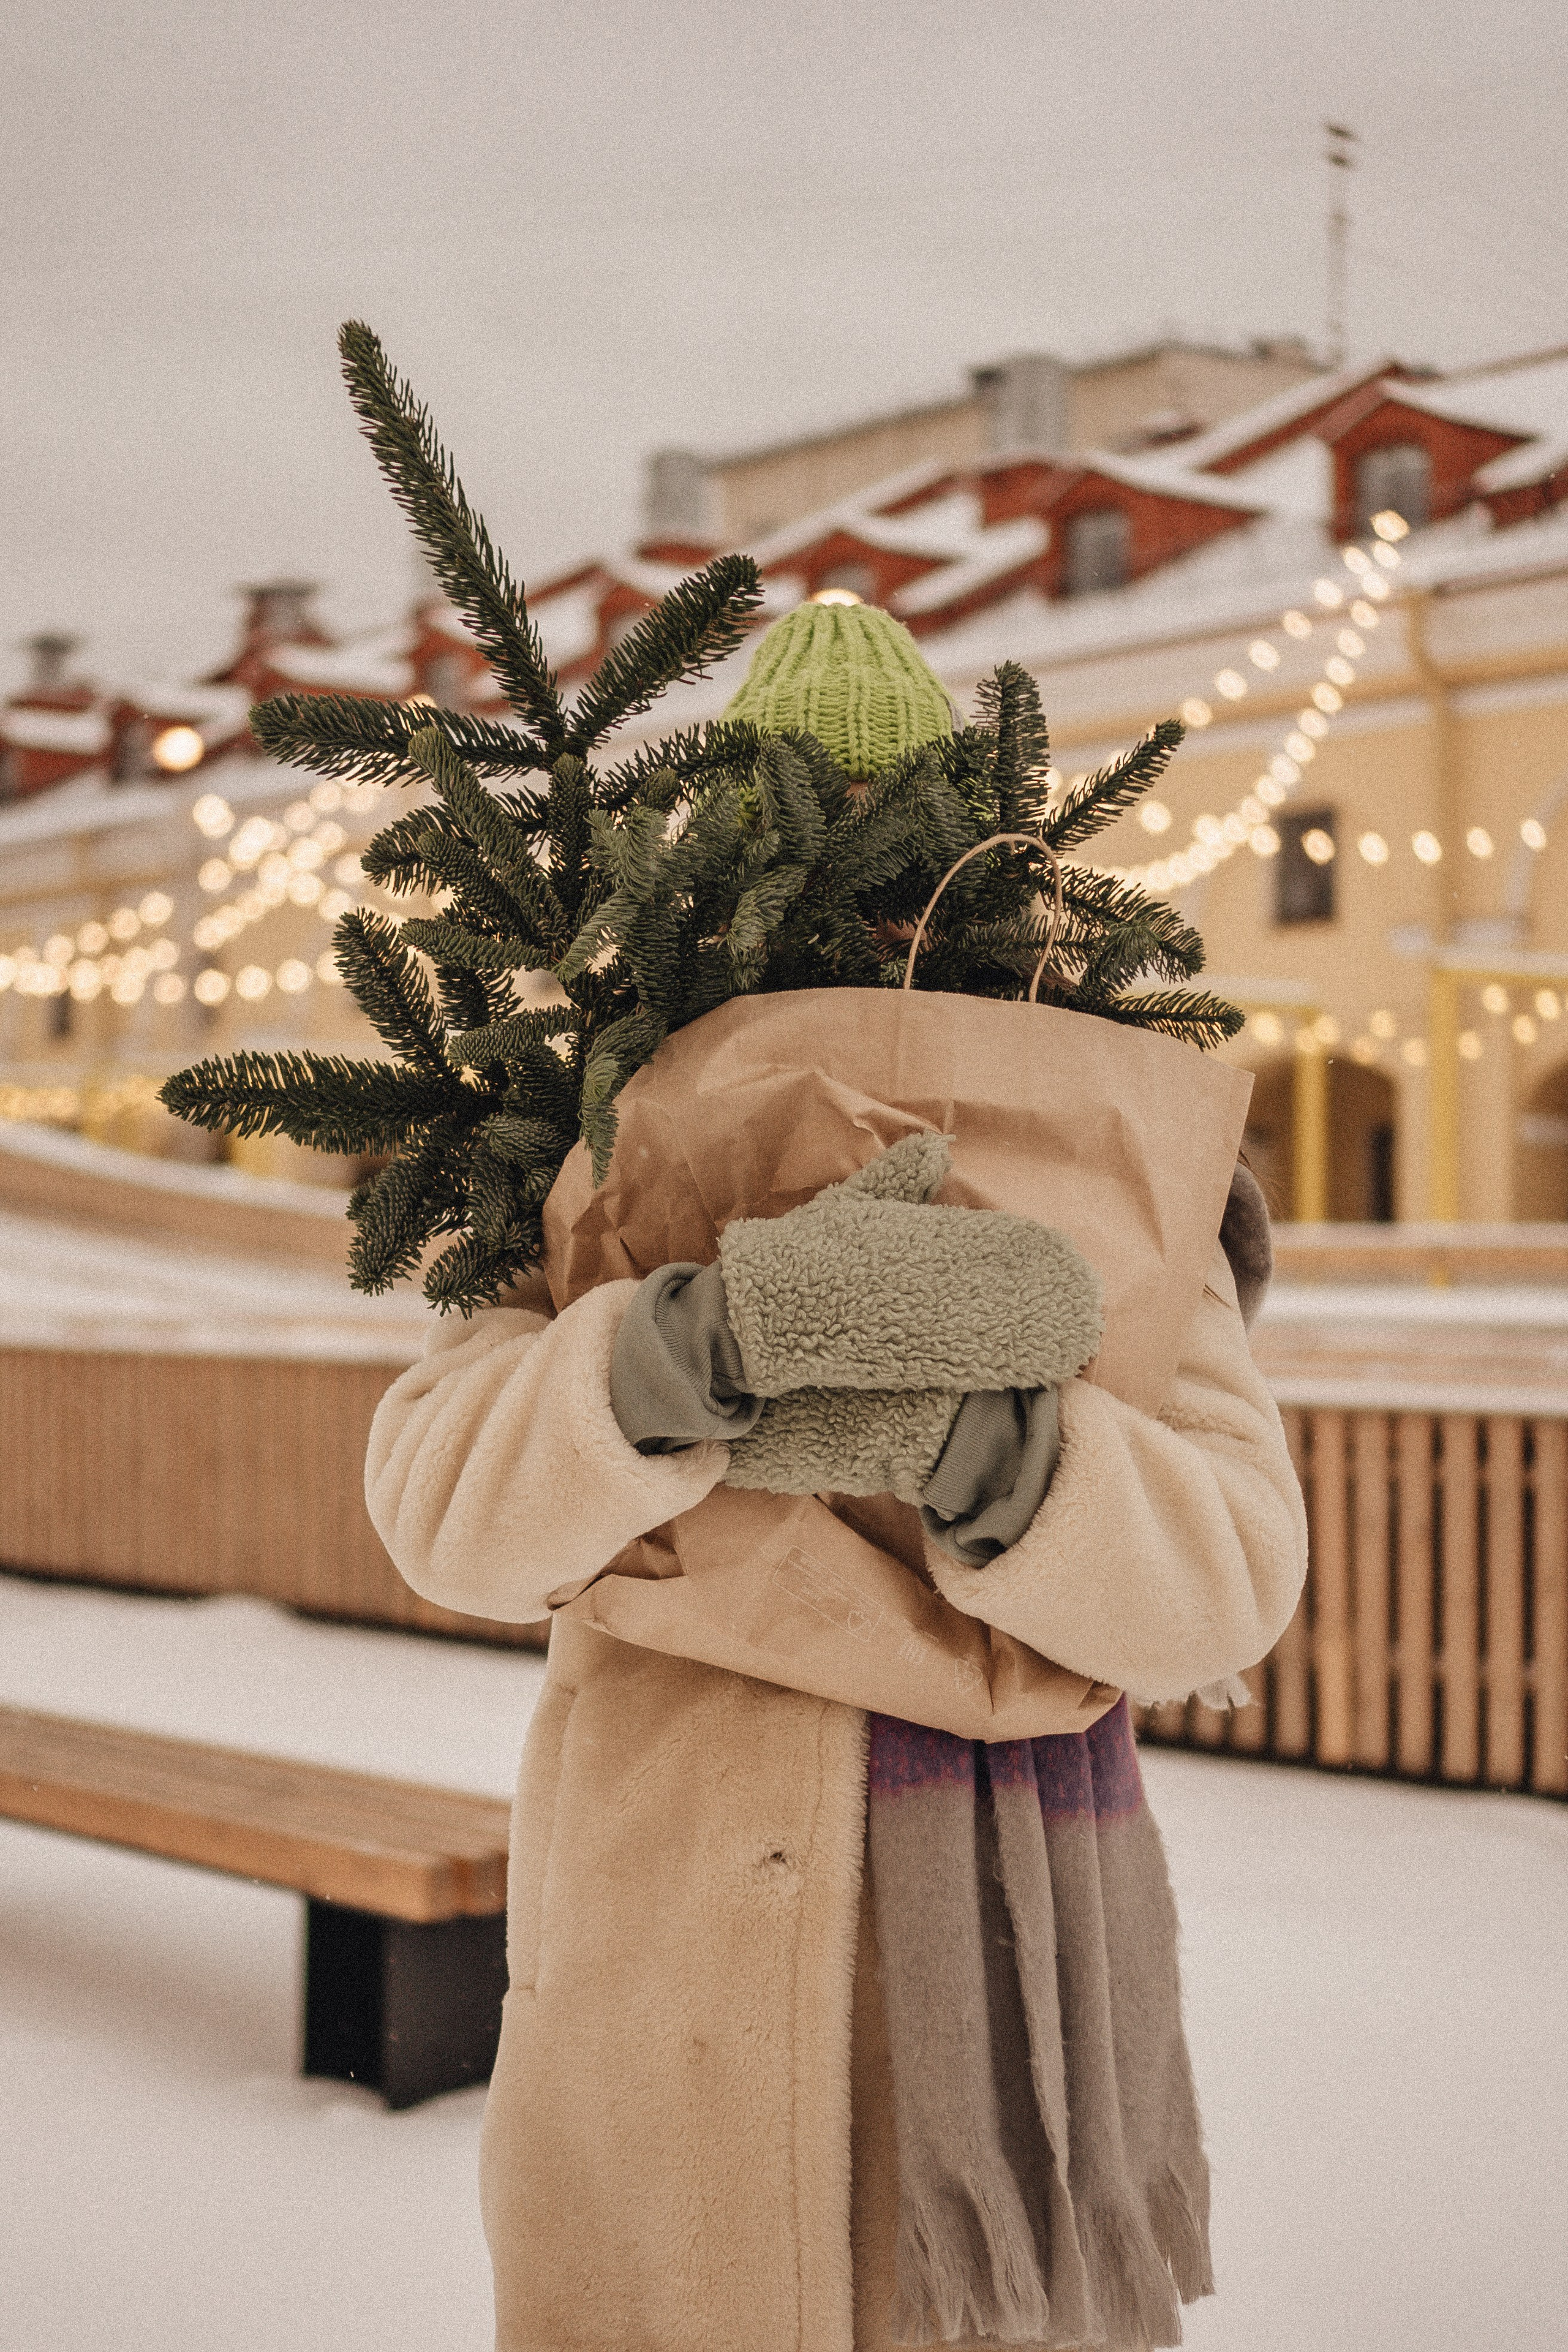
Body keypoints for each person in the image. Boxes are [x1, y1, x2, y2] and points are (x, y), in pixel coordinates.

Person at [365, 607, 1308, 2352]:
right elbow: (440, 1506)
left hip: (999, 2009)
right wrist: (687, 1348)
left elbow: (1232, 1578)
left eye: (899, 885)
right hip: (668, 1985)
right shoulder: (596, 1157)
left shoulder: (1117, 1175)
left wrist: (987, 1445)